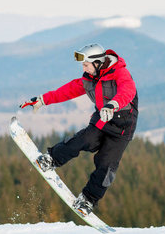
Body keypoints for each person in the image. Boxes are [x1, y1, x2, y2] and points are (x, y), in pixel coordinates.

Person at [19, 43, 139, 215]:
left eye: (86, 65)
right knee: (83, 139)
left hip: (122, 128)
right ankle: (51, 159)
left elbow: (128, 90)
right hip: (102, 120)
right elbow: (67, 91)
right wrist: (42, 100)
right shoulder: (89, 79)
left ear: (97, 63)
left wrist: (112, 105)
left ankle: (88, 200)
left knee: (106, 166)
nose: (84, 68)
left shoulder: (120, 72)